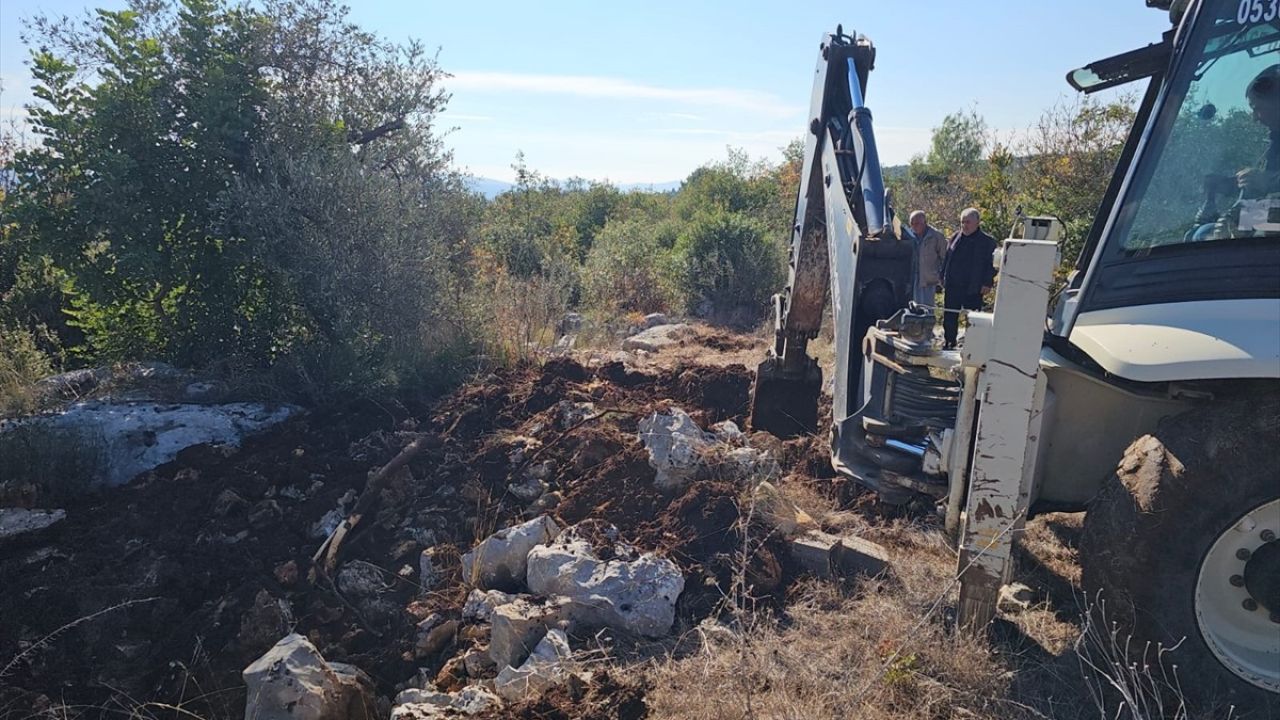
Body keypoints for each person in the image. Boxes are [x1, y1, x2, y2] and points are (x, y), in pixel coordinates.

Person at [941, 208, 997, 350]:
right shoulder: (955, 237)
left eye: (968, 222)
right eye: (962, 222)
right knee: (949, 316)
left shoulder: (987, 242)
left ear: (977, 223)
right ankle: (949, 342)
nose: (964, 225)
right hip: (953, 286)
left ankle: (971, 346)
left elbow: (991, 266)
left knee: (973, 319)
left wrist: (987, 282)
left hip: (973, 287)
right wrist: (942, 277)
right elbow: (947, 259)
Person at [907, 210, 947, 307]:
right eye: (912, 223)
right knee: (912, 307)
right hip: (912, 278)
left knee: (927, 308)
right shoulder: (907, 236)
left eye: (917, 223)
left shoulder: (936, 236)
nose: (914, 226)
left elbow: (945, 258)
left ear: (924, 223)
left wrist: (941, 276)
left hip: (928, 279)